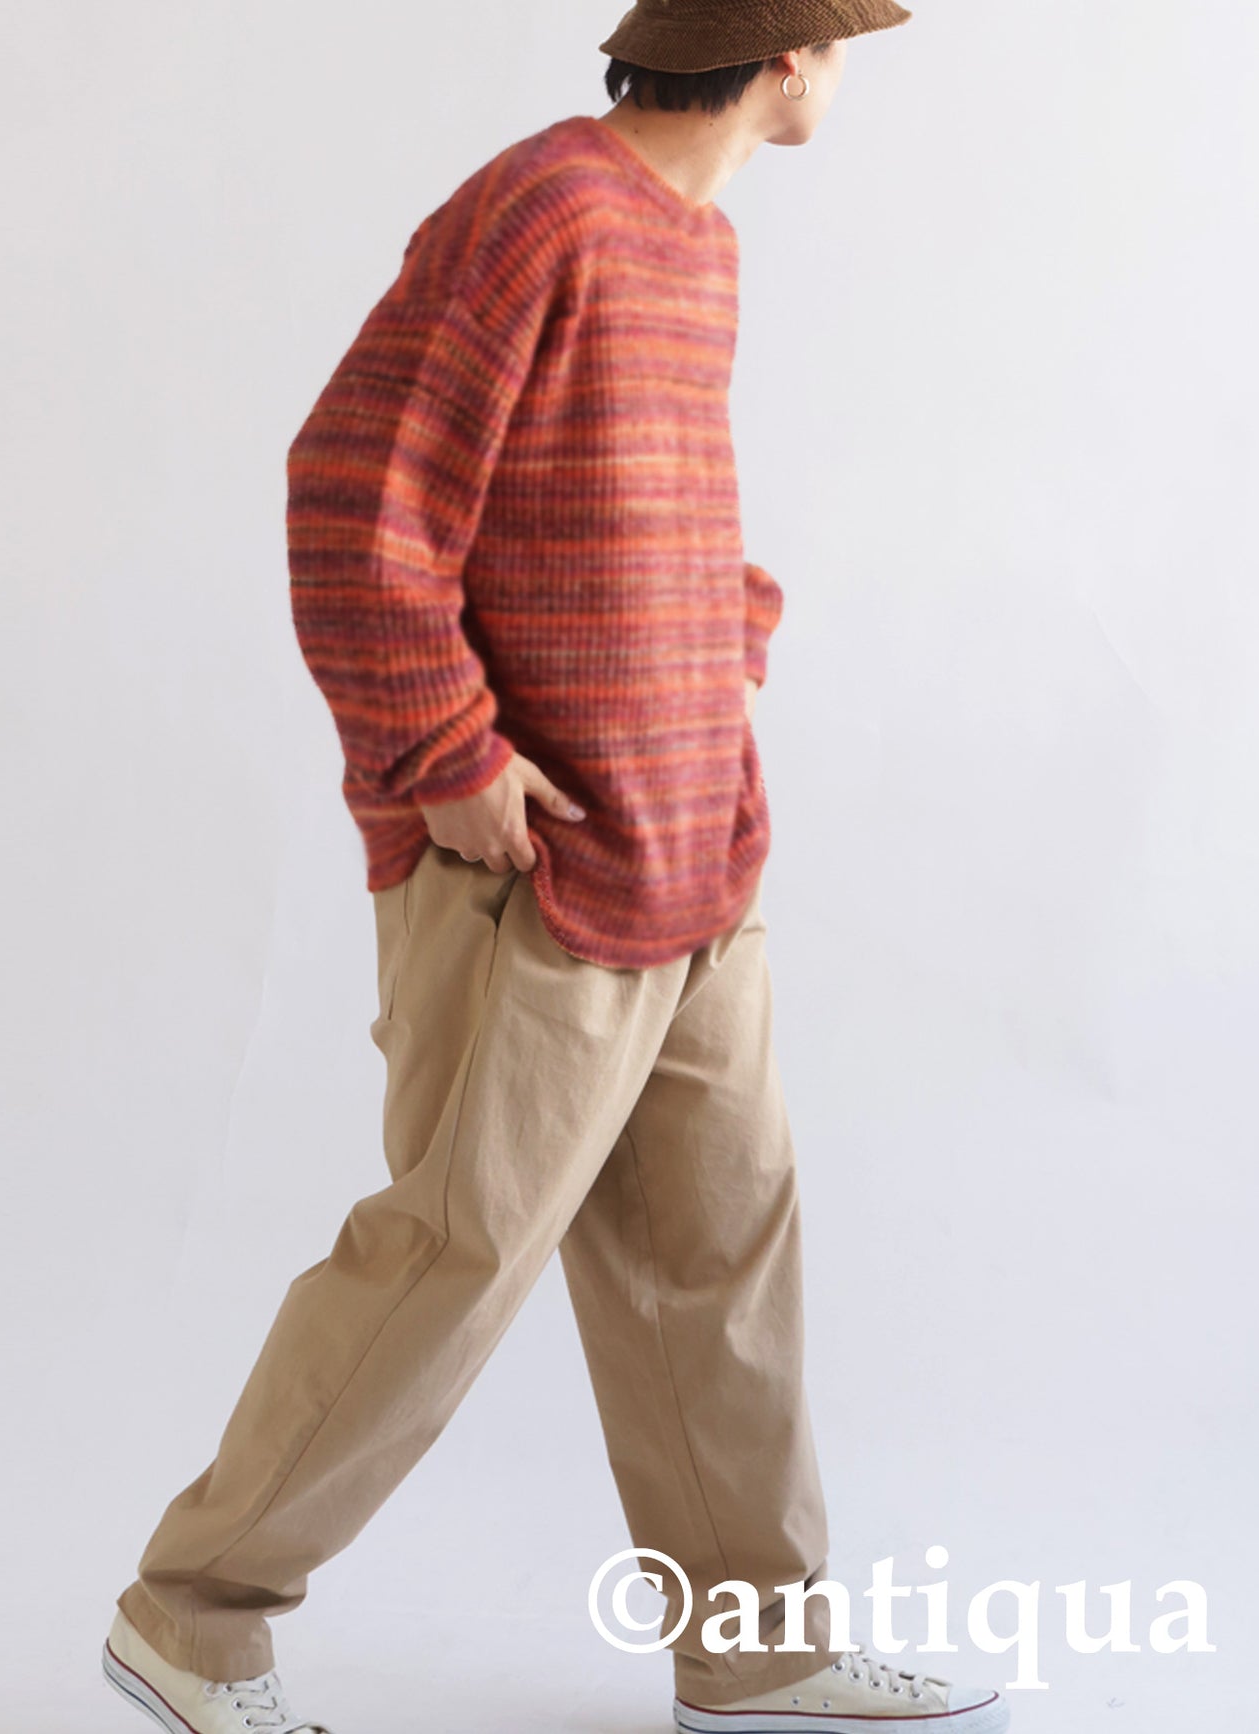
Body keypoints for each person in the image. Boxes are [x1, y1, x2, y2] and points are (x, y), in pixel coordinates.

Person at [102, 3, 1011, 1730]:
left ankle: (753, 1647)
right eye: (843, 41)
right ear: (786, 56)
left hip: (693, 847)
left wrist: (721, 645)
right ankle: (191, 1613)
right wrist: (442, 749)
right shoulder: (542, 209)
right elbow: (346, 488)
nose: (846, 73)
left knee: (721, 1253)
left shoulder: (698, 246)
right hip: (533, 866)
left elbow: (629, 501)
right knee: (451, 1259)